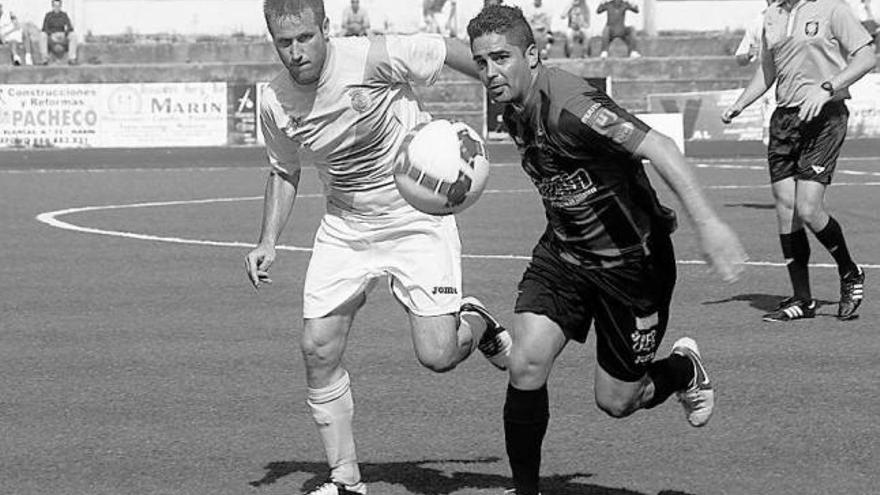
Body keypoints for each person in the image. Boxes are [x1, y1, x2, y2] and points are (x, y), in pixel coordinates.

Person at [467, 5, 747, 495]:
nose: (490, 72)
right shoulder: (508, 94)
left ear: (532, 55)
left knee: (618, 401)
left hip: (633, 267)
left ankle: (685, 369)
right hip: (565, 255)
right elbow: (451, 56)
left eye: (501, 58)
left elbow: (660, 147)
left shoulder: (572, 106)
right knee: (526, 363)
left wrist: (709, 223)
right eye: (481, 62)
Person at [246, 1, 512, 494]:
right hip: (346, 226)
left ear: (325, 28)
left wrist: (506, 87)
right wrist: (267, 241)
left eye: (305, 37)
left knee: (437, 355)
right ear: (272, 40)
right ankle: (345, 480)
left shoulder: (372, 57)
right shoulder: (275, 101)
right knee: (317, 347)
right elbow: (285, 170)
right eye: (285, 42)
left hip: (415, 218)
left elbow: (446, 50)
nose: (296, 51)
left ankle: (476, 320)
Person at [722, 0, 875, 322]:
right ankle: (802, 299)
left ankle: (850, 272)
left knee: (808, 208)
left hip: (825, 115)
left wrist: (828, 88)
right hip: (785, 120)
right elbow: (768, 71)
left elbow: (866, 57)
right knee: (785, 208)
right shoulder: (772, 15)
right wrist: (740, 104)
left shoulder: (833, 8)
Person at [39, 0, 77, 65]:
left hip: (63, 37)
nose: (57, 8)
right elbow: (44, 28)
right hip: (52, 38)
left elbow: (70, 28)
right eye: (55, 6)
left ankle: (71, 58)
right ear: (52, 6)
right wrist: (52, 34)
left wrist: (64, 34)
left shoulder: (64, 15)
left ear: (60, 6)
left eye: (58, 6)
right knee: (42, 35)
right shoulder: (48, 15)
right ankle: (44, 59)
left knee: (73, 35)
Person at [734, 1, 769, 66]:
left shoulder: (791, 18)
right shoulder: (758, 22)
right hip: (767, 71)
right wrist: (749, 55)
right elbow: (740, 58)